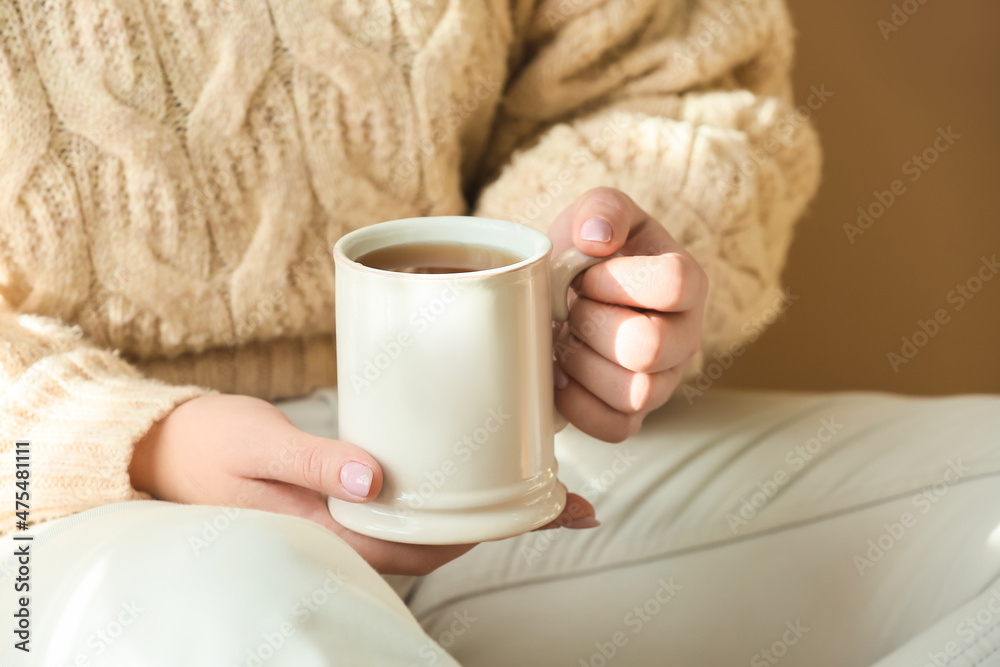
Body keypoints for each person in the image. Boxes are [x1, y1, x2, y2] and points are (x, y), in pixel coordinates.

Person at [1, 1, 998, 665]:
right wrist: (134, 440)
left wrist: (595, 283)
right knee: (245, 597)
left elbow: (675, 73)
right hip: (58, 503)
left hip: (505, 463)